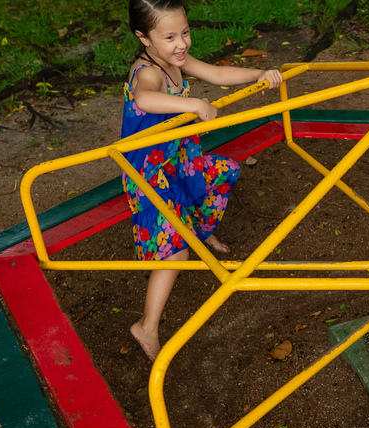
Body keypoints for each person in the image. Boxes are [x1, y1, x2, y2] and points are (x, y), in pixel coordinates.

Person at [121, 0, 283, 360]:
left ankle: (198, 228)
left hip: (176, 157)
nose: (181, 43)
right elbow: (146, 98)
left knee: (220, 174)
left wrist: (258, 75)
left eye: (185, 33)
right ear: (143, 38)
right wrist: (193, 104)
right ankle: (146, 325)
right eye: (169, 36)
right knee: (173, 245)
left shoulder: (176, 61)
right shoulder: (146, 70)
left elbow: (217, 74)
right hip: (147, 169)